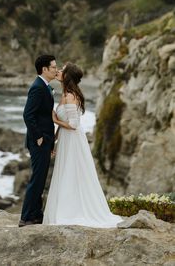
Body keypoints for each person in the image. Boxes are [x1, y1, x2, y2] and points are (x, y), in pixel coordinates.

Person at [43, 62, 123, 227]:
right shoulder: (66, 93)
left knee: (71, 173)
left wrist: (54, 119)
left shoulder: (71, 95)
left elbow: (73, 124)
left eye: (62, 70)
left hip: (73, 140)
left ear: (67, 76)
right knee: (66, 172)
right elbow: (64, 124)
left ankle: (71, 212)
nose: (58, 71)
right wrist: (54, 142)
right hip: (66, 139)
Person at [19, 54, 57, 227]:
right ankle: (26, 217)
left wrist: (50, 142)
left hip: (46, 140)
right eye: (54, 67)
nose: (56, 69)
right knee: (37, 179)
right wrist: (39, 137)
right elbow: (28, 115)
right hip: (39, 141)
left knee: (41, 179)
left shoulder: (45, 86)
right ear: (45, 69)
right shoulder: (38, 87)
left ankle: (36, 214)